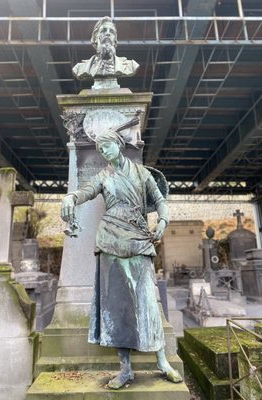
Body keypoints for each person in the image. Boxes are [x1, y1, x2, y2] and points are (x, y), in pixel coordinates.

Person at [61, 129, 183, 389]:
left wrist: (163, 220)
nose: (104, 151)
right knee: (117, 305)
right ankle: (125, 368)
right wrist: (71, 196)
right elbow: (86, 191)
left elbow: (160, 201)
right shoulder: (104, 176)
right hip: (110, 239)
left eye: (107, 146)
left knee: (148, 302)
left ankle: (162, 361)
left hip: (138, 238)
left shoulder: (141, 173)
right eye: (100, 149)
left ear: (118, 145)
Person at [72, 16, 139, 80]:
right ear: (95, 38)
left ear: (115, 41)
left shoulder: (130, 66)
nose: (108, 33)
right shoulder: (80, 68)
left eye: (111, 32)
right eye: (103, 30)